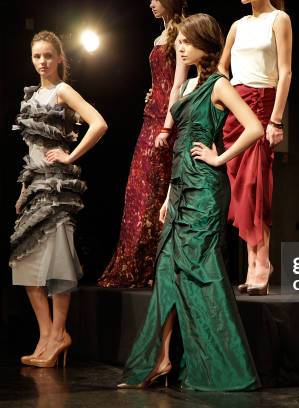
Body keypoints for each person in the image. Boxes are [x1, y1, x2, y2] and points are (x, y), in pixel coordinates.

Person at [117, 13, 264, 391]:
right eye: (178, 41)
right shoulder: (185, 88)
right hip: (180, 188)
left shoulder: (218, 85)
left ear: (205, 45)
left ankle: (224, 366)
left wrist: (220, 157)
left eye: (185, 41)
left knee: (201, 272)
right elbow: (178, 145)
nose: (179, 46)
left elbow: (255, 127)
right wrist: (167, 195)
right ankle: (163, 359)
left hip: (205, 191)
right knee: (166, 271)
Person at [10, 30, 108, 368]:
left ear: (59, 58)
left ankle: (58, 335)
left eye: (48, 56)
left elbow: (98, 123)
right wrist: (24, 189)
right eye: (37, 56)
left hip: (56, 188)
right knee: (26, 264)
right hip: (34, 186)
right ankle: (45, 336)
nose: (42, 62)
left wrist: (69, 156)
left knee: (58, 262)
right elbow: (31, 149)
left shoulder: (62, 91)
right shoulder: (31, 97)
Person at [98, 0, 189, 288]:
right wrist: (153, 97)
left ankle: (157, 266)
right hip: (151, 116)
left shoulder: (183, 32)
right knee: (140, 186)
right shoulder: (158, 37)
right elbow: (161, 81)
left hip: (168, 118)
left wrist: (168, 122)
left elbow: (179, 84)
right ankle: (139, 263)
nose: (151, 3)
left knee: (161, 187)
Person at [218, 0, 292, 295]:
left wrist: (276, 120)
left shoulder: (279, 19)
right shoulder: (238, 26)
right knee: (240, 189)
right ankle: (253, 264)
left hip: (262, 105)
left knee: (255, 186)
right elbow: (222, 67)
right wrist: (221, 95)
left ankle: (261, 263)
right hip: (236, 108)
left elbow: (285, 72)